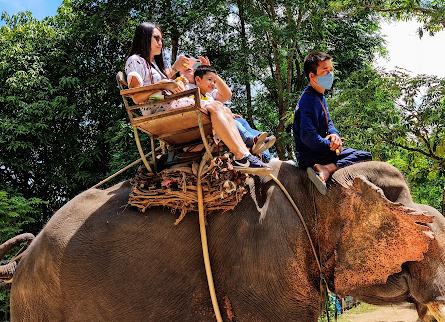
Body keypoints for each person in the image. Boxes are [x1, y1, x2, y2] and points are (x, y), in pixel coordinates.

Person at [124, 22, 269, 174]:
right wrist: (164, 86)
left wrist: (172, 76)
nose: (161, 43)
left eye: (161, 39)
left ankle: (244, 155)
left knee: (223, 109)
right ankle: (241, 155)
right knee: (214, 106)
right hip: (159, 111)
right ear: (144, 38)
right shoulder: (135, 60)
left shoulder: (152, 65)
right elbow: (137, 97)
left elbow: (156, 84)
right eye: (156, 38)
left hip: (168, 105)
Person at [292, 51, 372, 194]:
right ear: (312, 76)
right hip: (311, 156)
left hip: (320, 151)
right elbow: (307, 137)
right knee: (364, 156)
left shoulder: (319, 96)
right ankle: (327, 168)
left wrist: (335, 135)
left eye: (331, 70)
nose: (330, 74)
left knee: (363, 155)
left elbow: (330, 123)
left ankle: (327, 167)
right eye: (325, 70)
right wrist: (331, 146)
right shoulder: (309, 100)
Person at [177, 57, 275, 155]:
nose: (188, 66)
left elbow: (227, 95)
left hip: (219, 115)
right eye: (184, 64)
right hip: (207, 120)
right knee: (236, 123)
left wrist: (209, 72)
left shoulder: (205, 88)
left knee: (243, 123)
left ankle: (265, 154)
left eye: (191, 65)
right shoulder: (181, 85)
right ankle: (251, 142)